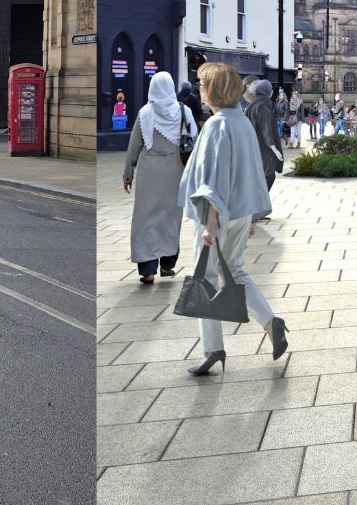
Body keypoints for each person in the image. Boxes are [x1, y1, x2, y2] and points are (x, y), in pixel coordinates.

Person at [180, 62, 289, 376]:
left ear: (212, 90)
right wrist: (252, 216)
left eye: (202, 85)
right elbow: (252, 172)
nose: (200, 90)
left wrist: (210, 223)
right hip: (242, 212)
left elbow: (213, 178)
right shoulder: (241, 122)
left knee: (206, 279)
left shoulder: (217, 125)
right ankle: (271, 323)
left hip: (217, 215)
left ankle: (213, 349)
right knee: (237, 272)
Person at [123, 72, 196, 284]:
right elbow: (196, 140)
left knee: (145, 219)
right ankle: (167, 265)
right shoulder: (184, 112)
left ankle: (147, 270)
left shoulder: (145, 113)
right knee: (170, 218)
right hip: (176, 171)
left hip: (149, 171)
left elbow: (134, 146)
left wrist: (128, 174)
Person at [243, 79, 284, 194]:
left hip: (254, 145)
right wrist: (274, 148)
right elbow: (266, 128)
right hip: (263, 146)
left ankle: (256, 200)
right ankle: (257, 201)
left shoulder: (253, 104)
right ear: (268, 92)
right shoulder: (262, 106)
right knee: (269, 174)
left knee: (260, 174)